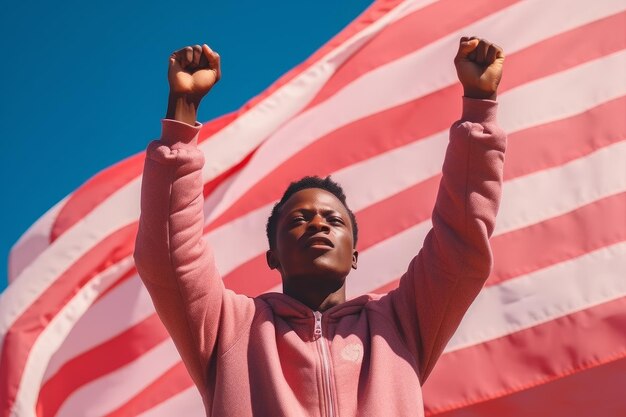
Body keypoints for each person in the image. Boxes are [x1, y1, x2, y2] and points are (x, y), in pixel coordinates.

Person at [134, 36, 506, 417]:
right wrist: (182, 116)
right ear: (272, 257)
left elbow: (460, 246)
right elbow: (170, 255)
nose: (317, 224)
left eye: (333, 220)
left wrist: (478, 112)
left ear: (355, 255)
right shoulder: (229, 329)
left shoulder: (402, 322)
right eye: (299, 219)